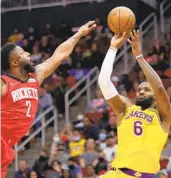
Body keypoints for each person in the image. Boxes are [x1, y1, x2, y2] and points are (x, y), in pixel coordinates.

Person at [1, 21, 96, 178]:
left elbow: (59, 55)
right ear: (14, 62)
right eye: (23, 53)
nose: (29, 54)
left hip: (6, 146)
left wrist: (78, 34)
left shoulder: (35, 76)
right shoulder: (4, 83)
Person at [98, 30, 171, 178]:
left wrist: (139, 57)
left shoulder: (163, 116)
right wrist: (112, 48)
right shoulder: (125, 109)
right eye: (139, 90)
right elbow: (104, 83)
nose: (141, 92)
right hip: (116, 174)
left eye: (146, 90)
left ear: (155, 98)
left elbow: (159, 88)